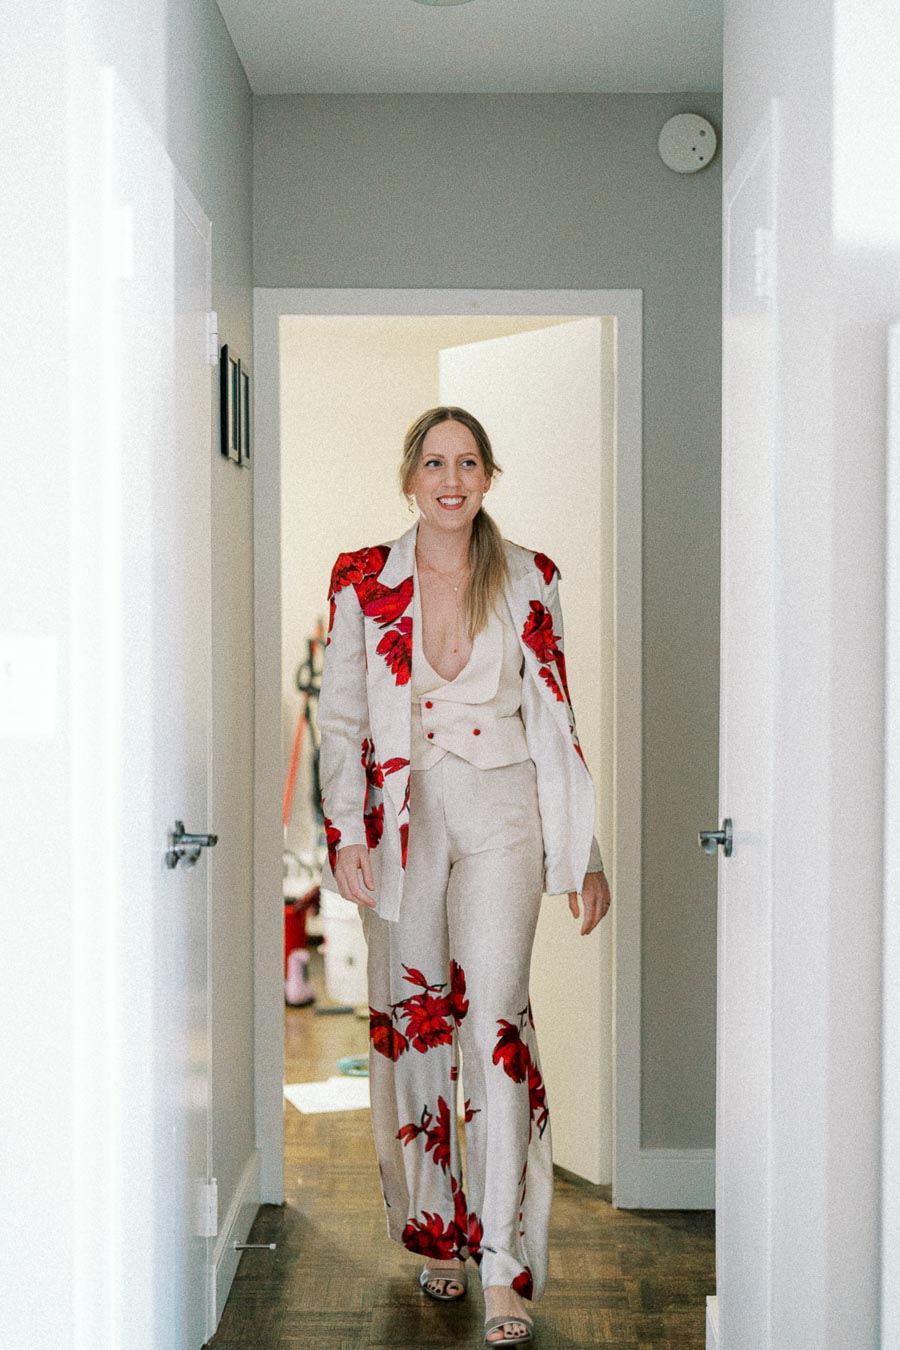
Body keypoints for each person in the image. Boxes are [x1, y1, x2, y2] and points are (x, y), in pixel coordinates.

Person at [316, 406, 612, 1346]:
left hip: (506, 810)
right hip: (405, 821)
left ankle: (503, 1271)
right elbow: (342, 719)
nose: (452, 480)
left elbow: (557, 720)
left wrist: (585, 851)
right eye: (435, 463)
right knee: (417, 1017)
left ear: (489, 476)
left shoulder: (533, 576)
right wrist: (343, 830)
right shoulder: (363, 578)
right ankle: (440, 1236)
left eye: (469, 463)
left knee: (495, 1024)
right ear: (410, 476)